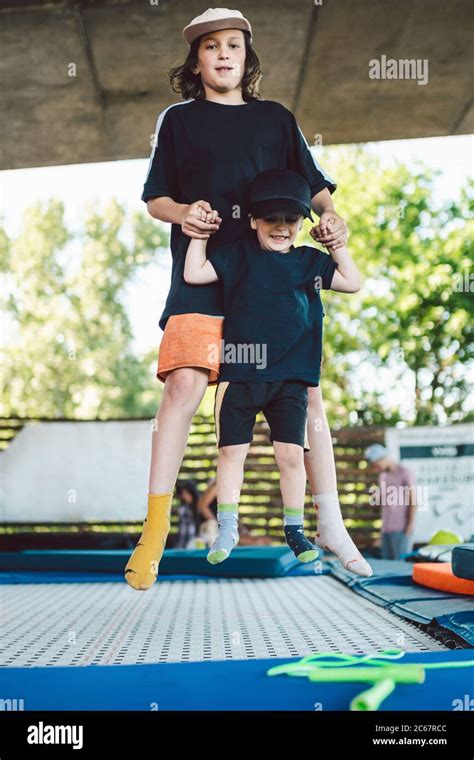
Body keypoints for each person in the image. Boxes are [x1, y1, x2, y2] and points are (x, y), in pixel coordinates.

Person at [125, 7, 355, 590]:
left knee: (308, 397)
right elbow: (156, 199)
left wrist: (332, 221)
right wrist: (186, 213)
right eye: (210, 47)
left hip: (272, 281)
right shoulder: (177, 121)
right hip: (202, 273)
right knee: (185, 385)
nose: (223, 54)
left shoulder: (277, 119)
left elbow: (319, 191)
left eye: (234, 45)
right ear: (196, 60)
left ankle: (329, 522)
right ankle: (153, 529)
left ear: (247, 57)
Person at [184, 168, 372, 577]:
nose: (282, 227)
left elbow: (353, 281)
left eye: (291, 219)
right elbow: (194, 274)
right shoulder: (237, 255)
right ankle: (227, 527)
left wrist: (336, 244)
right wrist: (198, 237)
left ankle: (294, 528)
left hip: (291, 378)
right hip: (241, 373)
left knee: (291, 455)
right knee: (232, 452)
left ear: (301, 225)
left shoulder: (308, 261)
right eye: (271, 218)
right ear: (253, 220)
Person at [365, 444, 418, 559]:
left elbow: (413, 501)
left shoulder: (405, 472)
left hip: (402, 529)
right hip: (386, 530)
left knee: (401, 565)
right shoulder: (383, 476)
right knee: (388, 565)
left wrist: (409, 526)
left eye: (377, 465)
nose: (376, 468)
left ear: (384, 458)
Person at [174, 480, 201, 548]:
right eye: (182, 494)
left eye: (185, 493)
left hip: (195, 541)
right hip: (182, 539)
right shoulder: (184, 507)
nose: (183, 496)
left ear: (192, 493)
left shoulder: (200, 506)